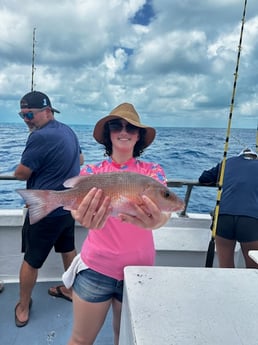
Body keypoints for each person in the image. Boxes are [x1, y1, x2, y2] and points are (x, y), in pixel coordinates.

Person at [64, 103, 172, 345]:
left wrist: (158, 219)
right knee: (80, 340)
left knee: (123, 339)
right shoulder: (91, 171)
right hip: (95, 269)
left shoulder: (153, 172)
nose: (124, 131)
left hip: (139, 271)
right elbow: (76, 210)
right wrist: (79, 216)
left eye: (131, 127)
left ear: (139, 135)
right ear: (108, 133)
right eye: (117, 125)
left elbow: (164, 213)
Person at [14, 91, 81, 327]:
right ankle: (72, 291)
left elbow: (21, 172)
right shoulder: (68, 131)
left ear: (47, 111)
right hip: (67, 207)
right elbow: (80, 160)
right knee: (68, 249)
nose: (26, 120)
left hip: (45, 209)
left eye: (29, 114)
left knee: (32, 260)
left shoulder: (39, 137)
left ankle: (22, 307)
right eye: (22, 115)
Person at [199, 148, 258, 268]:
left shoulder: (228, 162)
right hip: (250, 220)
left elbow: (204, 178)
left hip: (223, 217)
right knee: (254, 269)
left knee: (225, 267)